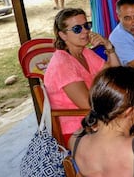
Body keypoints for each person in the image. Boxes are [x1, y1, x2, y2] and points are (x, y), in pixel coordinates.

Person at [44, 8, 120, 144]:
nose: (85, 31)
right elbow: (87, 104)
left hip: (95, 119)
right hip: (77, 129)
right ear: (63, 35)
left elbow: (116, 74)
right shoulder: (63, 64)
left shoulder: (84, 52)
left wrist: (108, 46)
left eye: (87, 25)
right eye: (77, 29)